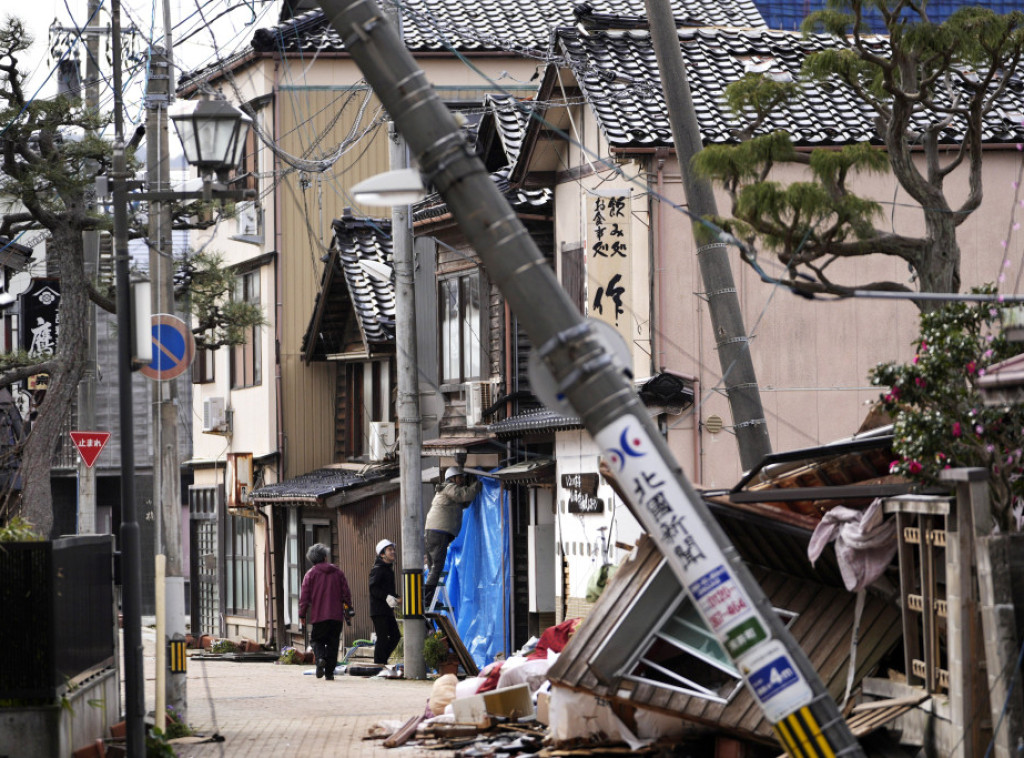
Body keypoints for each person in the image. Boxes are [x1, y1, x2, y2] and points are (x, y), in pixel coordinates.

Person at [423, 467, 482, 606]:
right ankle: (426, 599)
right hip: (439, 532)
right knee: (436, 567)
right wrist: (477, 484)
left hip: (434, 532)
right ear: (452, 478)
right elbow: (465, 495)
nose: (462, 480)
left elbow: (465, 502)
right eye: (459, 477)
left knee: (433, 567)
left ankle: (429, 599)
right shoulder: (450, 487)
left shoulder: (448, 491)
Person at [298, 543, 352, 681]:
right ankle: (329, 673)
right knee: (333, 643)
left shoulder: (310, 574)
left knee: (317, 640)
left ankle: (320, 659)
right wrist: (348, 608)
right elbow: (346, 593)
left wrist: (302, 614)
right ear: (325, 557)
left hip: (319, 616)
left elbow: (304, 597)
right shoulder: (338, 572)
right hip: (336, 616)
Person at [368, 539, 402, 670]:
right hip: (378, 610)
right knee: (383, 637)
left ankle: (382, 661)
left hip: (387, 610)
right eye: (389, 550)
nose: (393, 552)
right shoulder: (378, 569)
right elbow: (373, 588)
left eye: (393, 549)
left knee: (395, 636)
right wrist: (387, 597)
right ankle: (379, 663)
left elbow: (388, 590)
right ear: (382, 554)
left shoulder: (388, 569)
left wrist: (397, 597)